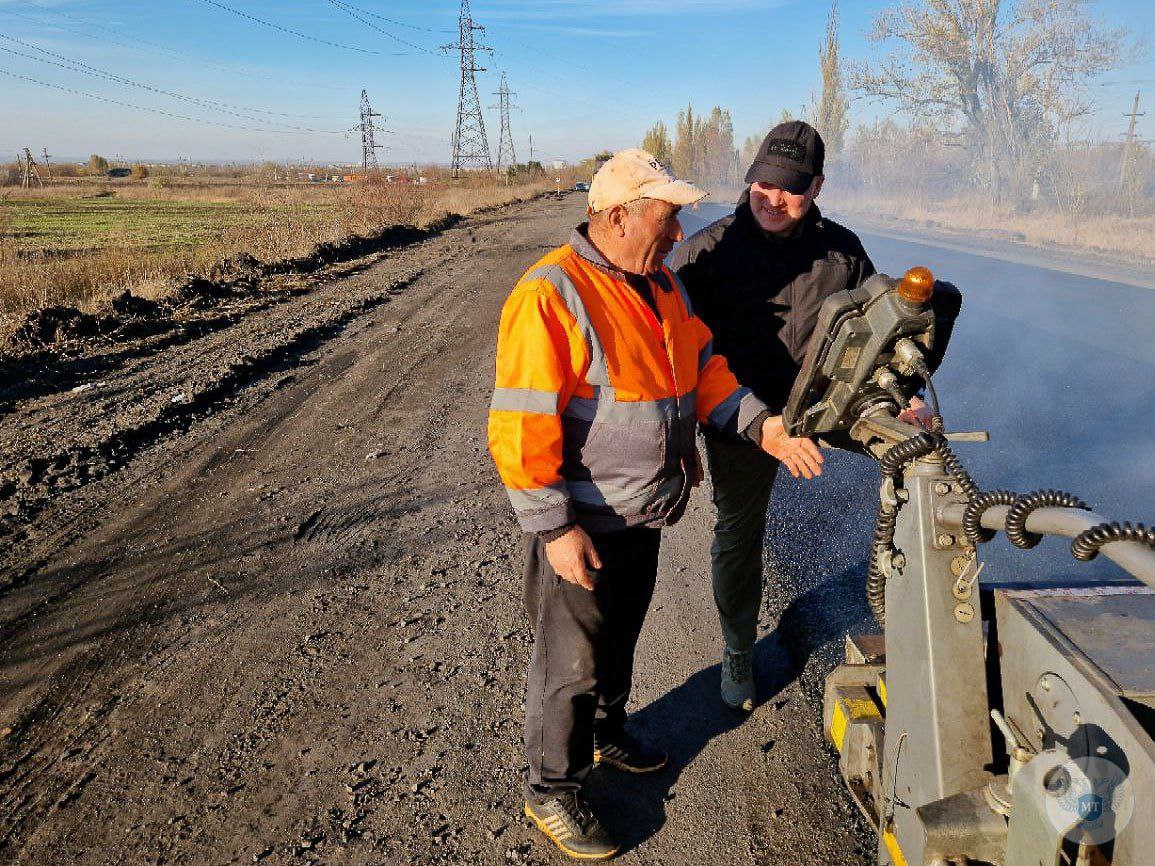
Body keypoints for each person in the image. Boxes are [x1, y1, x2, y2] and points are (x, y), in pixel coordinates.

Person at [488, 148, 823, 860]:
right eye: (665, 218)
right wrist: (554, 529)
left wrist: (761, 425)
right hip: (582, 518)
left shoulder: (661, 285)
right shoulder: (551, 292)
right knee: (569, 664)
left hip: (641, 511)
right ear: (616, 215)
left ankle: (607, 733)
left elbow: (705, 372)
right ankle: (552, 789)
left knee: (618, 640)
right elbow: (520, 424)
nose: (676, 235)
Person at [671, 120, 894, 713]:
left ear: (816, 187)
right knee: (738, 534)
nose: (772, 199)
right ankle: (738, 650)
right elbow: (676, 355)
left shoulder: (842, 252)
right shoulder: (705, 254)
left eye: (790, 189)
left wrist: (910, 396)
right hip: (742, 415)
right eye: (762, 185)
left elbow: (885, 335)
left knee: (915, 463)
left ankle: (912, 613)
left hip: (823, 405)